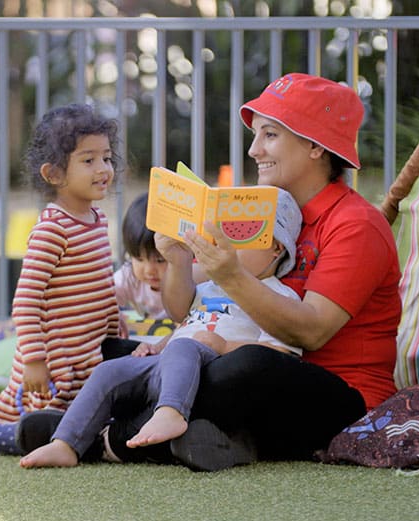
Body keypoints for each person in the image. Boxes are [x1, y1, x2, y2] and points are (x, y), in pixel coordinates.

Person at [100, 73, 403, 471]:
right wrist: (177, 260)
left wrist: (230, 276)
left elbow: (311, 331)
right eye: (256, 135)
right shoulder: (263, 212)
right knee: (123, 350)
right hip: (249, 371)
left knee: (249, 366)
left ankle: (110, 437)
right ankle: (193, 435)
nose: (254, 149)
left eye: (270, 135)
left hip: (337, 394)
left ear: (315, 146)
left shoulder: (355, 224)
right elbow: (190, 310)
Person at [18, 187, 303, 468]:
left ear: (277, 248)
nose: (225, 244)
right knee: (110, 369)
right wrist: (158, 345)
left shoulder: (280, 298)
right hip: (169, 362)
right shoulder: (209, 286)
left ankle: (169, 413)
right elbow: (187, 323)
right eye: (223, 233)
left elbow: (278, 358)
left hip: (209, 374)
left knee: (184, 346)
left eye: (242, 236)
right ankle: (65, 444)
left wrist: (226, 347)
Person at [0, 103, 138, 455]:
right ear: (54, 174)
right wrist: (35, 359)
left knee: (81, 424)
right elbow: (27, 299)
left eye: (107, 158)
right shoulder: (52, 229)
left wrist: (113, 323)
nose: (103, 169)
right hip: (55, 363)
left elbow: (96, 283)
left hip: (86, 353)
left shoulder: (96, 220)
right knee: (51, 432)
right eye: (88, 160)